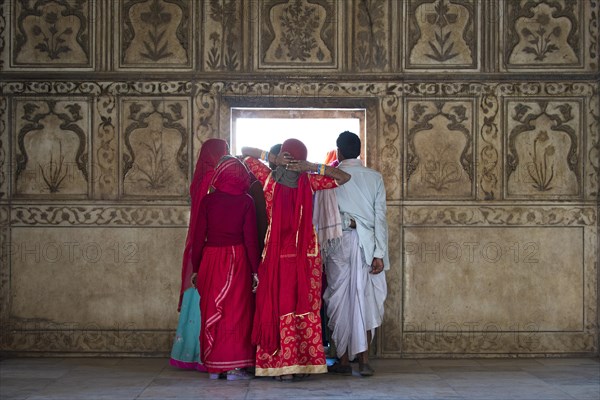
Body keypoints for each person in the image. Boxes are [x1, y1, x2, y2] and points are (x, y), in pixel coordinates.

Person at [241, 138, 351, 381]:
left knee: (284, 306)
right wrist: (308, 166)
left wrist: (282, 161)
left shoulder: (272, 178)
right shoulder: (308, 181)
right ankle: (299, 364)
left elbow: (245, 153)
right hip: (301, 257)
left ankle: (284, 366)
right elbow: (342, 177)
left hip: (283, 256)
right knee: (299, 307)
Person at [324, 131, 388, 377]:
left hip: (338, 243)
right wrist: (379, 254)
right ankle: (364, 360)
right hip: (368, 246)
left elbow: (325, 216)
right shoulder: (375, 178)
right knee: (365, 300)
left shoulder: (331, 178)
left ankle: (341, 360)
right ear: (359, 150)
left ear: (338, 151)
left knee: (338, 299)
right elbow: (380, 218)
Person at [190, 156, 260, 380]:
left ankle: (214, 365)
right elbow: (250, 239)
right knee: (236, 312)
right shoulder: (246, 201)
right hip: (236, 259)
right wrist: (255, 270)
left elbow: (198, 237)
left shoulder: (208, 201)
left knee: (212, 308)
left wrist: (196, 267)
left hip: (210, 258)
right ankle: (233, 367)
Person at [170, 138, 228, 371]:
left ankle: (190, 353)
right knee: (210, 300)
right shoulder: (213, 179)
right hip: (210, 246)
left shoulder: (200, 180)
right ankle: (206, 354)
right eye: (225, 151)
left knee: (198, 299)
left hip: (200, 245)